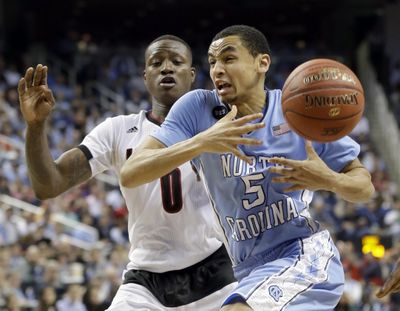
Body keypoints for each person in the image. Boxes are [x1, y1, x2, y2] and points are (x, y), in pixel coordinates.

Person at [120, 25, 375, 311]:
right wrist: (201, 142)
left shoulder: (300, 110)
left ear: (262, 63)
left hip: (303, 253)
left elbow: (364, 188)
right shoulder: (197, 108)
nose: (217, 69)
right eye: (212, 62)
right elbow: (132, 173)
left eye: (228, 59)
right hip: (246, 269)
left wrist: (330, 180)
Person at [18, 35, 236, 310]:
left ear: (191, 75)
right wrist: (35, 126)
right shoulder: (117, 130)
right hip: (146, 281)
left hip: (214, 272)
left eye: (176, 62)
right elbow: (49, 185)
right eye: (157, 63)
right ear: (145, 77)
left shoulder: (219, 124)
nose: (166, 68)